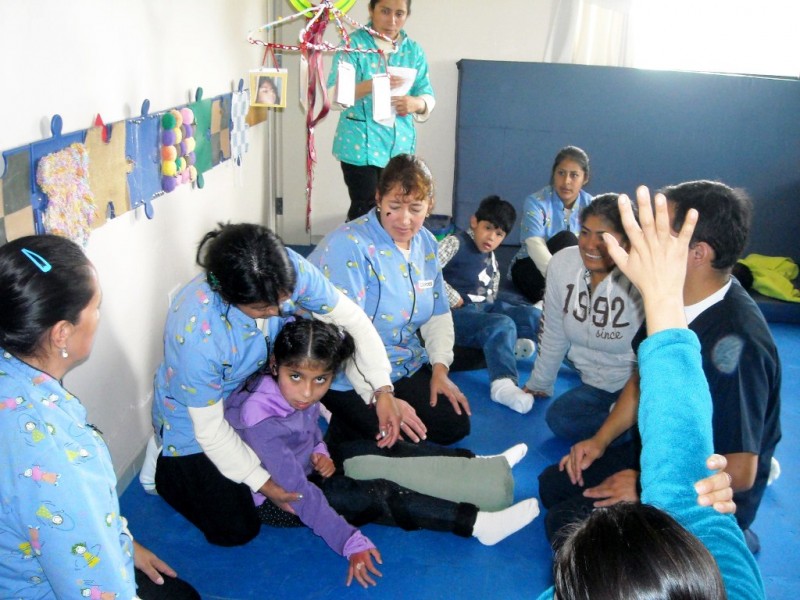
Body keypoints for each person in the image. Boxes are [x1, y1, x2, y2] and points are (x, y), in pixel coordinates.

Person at [537, 187, 764, 600]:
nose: (642, 240)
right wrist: (600, 440)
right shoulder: (672, 300)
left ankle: (739, 536)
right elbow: (644, 377)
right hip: (665, 453)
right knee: (553, 484)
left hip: (704, 487)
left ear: (697, 253)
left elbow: (745, 472)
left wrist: (646, 484)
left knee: (566, 528)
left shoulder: (739, 339)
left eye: (659, 233)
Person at [225, 319, 540, 589]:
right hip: (281, 500)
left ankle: (480, 464)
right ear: (275, 366)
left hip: (308, 465)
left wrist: (320, 451)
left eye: (320, 379)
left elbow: (308, 429)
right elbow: (300, 495)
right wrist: (350, 543)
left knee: (380, 447)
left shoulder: (296, 393)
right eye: (296, 377)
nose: (307, 392)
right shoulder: (260, 418)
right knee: (376, 492)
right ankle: (478, 525)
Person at [151, 223, 411, 547]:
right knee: (236, 529)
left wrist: (382, 390)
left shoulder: (282, 267)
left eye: (283, 299)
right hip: (194, 418)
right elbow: (210, 430)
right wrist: (261, 482)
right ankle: (164, 465)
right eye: (263, 308)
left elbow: (352, 320)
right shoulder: (197, 335)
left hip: (261, 383)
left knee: (343, 401)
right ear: (229, 297)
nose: (277, 311)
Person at [0, 235, 199, 599]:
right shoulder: (60, 457)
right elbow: (95, 589)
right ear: (62, 333)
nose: (98, 317)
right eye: (95, 307)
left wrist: (122, 544)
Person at [309, 154, 471, 461]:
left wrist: (440, 369)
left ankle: (350, 426)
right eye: (394, 207)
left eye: (415, 209)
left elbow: (438, 312)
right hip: (345, 370)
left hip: (399, 362)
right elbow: (343, 337)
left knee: (453, 424)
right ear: (378, 198)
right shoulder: (349, 245)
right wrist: (381, 395)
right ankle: (336, 412)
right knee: (398, 439)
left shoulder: (426, 243)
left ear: (430, 205)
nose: (404, 220)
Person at [527, 194, 644, 442]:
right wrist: (540, 382)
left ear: (626, 242)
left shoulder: (642, 276)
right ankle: (629, 431)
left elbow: (657, 357)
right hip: (594, 384)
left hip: (637, 386)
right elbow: (553, 330)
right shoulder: (562, 264)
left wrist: (629, 407)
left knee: (644, 420)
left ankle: (632, 425)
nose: (590, 245)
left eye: (603, 237)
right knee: (559, 418)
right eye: (585, 233)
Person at [328, 0, 435, 221]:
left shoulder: (413, 51)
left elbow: (427, 94)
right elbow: (334, 95)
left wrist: (416, 103)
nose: (392, 21)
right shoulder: (352, 45)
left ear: (407, 15)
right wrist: (373, 84)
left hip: (398, 146)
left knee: (396, 208)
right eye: (385, 11)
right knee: (366, 209)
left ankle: (389, 245)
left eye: (399, 14)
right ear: (371, 10)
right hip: (359, 145)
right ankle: (356, 244)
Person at [438, 195, 539, 414]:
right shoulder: (456, 243)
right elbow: (425, 271)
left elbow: (492, 295)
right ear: (474, 221)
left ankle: (576, 358)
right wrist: (451, 296)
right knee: (501, 324)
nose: (491, 237)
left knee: (532, 315)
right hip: (456, 313)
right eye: (488, 228)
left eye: (499, 234)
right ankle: (503, 384)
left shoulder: (491, 258)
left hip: (484, 309)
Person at [509, 146, 593, 305]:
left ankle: (560, 301)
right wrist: (561, 281)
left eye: (574, 175)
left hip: (574, 274)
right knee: (568, 239)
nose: (566, 181)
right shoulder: (536, 202)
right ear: (553, 174)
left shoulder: (592, 206)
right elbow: (534, 246)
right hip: (533, 267)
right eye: (561, 173)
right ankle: (566, 299)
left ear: (585, 178)